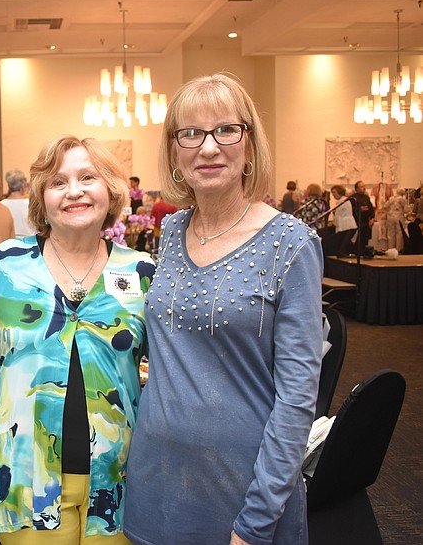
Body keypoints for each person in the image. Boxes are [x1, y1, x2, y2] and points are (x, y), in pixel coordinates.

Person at [124, 73, 323, 545]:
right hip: (156, 480)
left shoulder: (290, 244)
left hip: (244, 493)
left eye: (226, 130)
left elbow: (297, 400)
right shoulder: (170, 233)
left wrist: (256, 521)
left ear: (250, 144)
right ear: (175, 150)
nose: (208, 148)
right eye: (190, 133)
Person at [0, 135, 155, 543]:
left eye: (88, 177)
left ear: (111, 190)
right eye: (58, 182)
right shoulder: (4, 266)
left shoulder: (141, 271)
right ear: (41, 197)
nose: (74, 191)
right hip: (23, 478)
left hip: (118, 481)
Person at [1, 169, 36, 238]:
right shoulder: (29, 204)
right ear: (23, 185)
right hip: (29, 243)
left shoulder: (2, 205)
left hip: (8, 243)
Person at [324, 184, 357, 256]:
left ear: (339, 192)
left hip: (345, 226)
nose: (333, 195)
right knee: (344, 247)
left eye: (334, 192)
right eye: (332, 193)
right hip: (350, 225)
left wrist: (332, 223)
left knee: (341, 248)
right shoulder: (346, 200)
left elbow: (337, 216)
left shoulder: (341, 202)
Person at [352, 180, 375, 252]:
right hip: (357, 222)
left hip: (366, 222)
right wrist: (360, 209)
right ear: (357, 188)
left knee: (365, 239)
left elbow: (371, 209)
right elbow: (352, 210)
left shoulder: (366, 197)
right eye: (361, 186)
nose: (364, 188)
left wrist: (372, 219)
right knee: (358, 240)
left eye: (364, 186)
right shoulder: (353, 198)